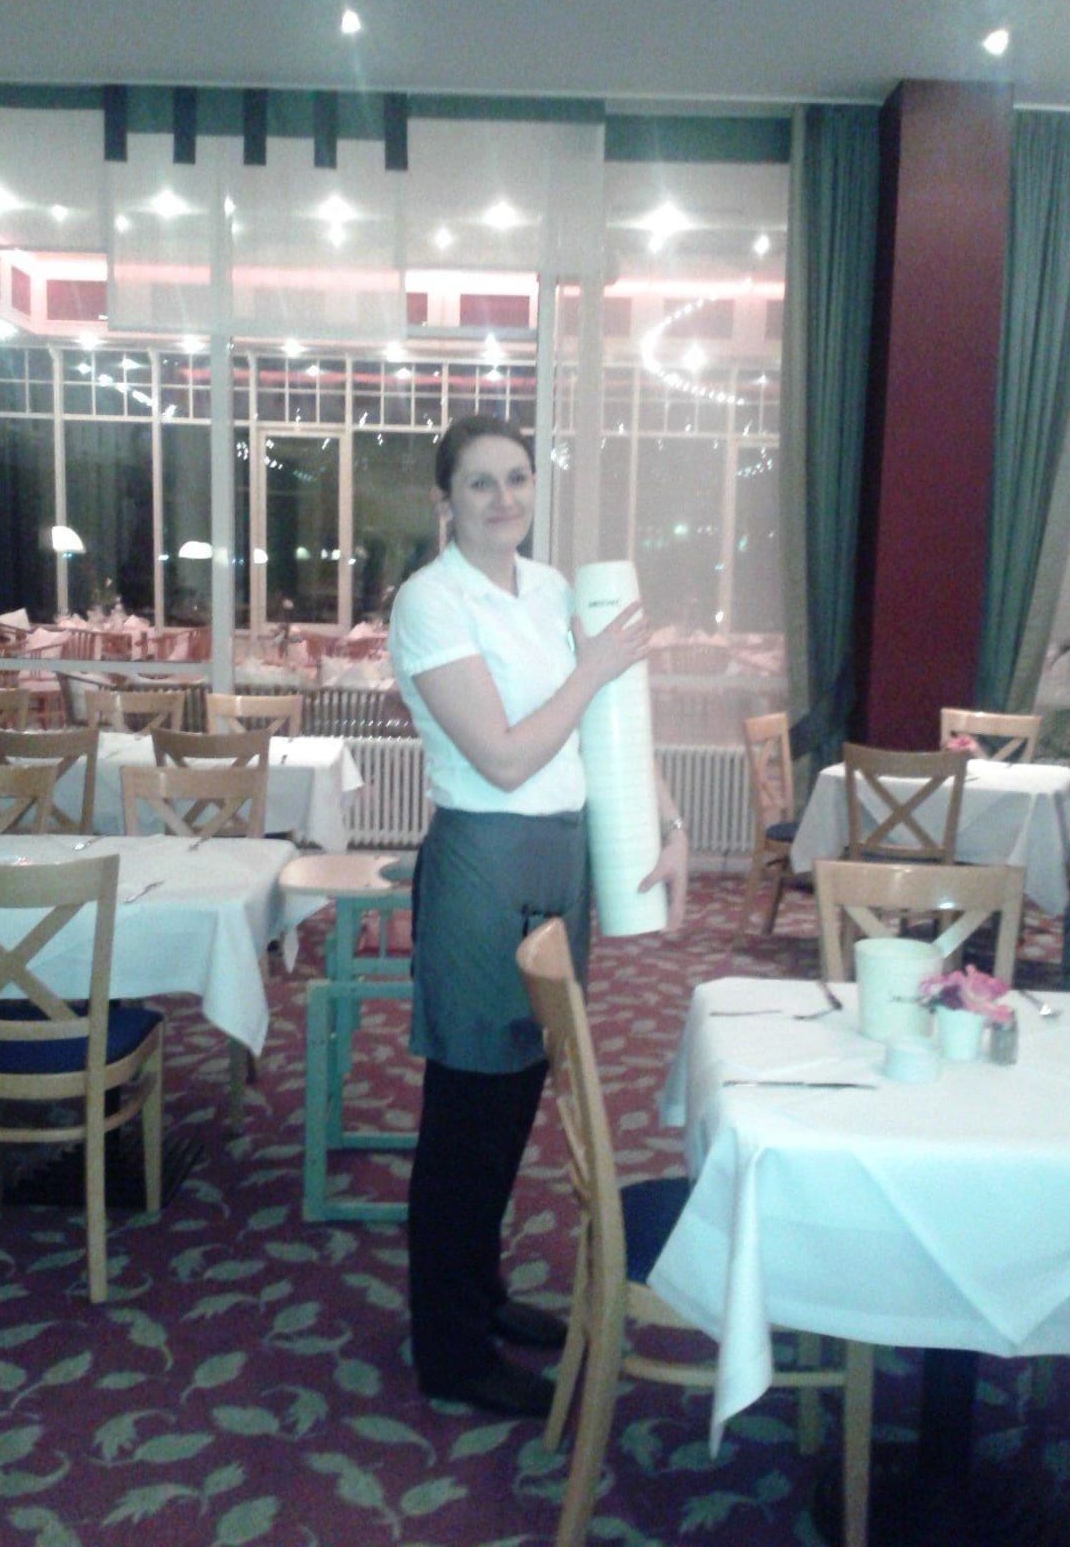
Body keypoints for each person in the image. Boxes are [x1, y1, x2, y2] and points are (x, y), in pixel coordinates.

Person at [388, 413, 688, 1418]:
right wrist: (592, 666)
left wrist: (669, 821)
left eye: (516, 478)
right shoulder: (430, 601)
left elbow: (607, 725)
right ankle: (448, 1348)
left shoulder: (553, 588)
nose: (503, 498)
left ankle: (481, 1296)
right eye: (479, 482)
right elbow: (507, 758)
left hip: (564, 858)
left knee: (520, 1092)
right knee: (466, 1115)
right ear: (445, 499)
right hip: (484, 861)